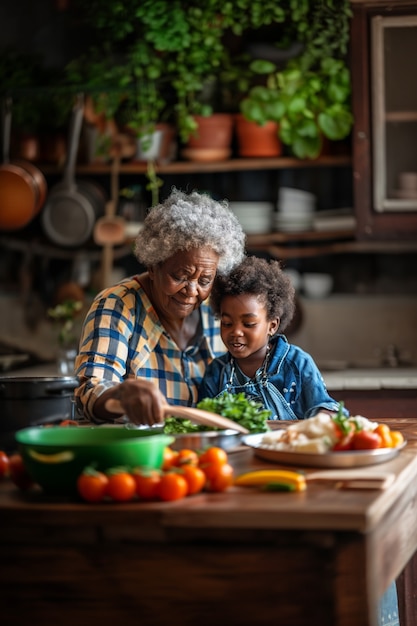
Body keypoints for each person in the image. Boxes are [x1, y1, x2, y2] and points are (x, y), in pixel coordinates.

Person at [74, 188, 245, 426]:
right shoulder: (118, 305)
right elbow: (90, 393)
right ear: (153, 268)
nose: (192, 290)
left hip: (206, 456)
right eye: (180, 276)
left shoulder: (217, 312)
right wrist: (120, 395)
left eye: (205, 280)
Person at [198, 255, 344, 419]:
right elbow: (204, 423)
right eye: (227, 323)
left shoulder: (297, 363)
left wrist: (323, 417)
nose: (236, 332)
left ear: (272, 325)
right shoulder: (217, 372)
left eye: (248, 324)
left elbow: (325, 407)